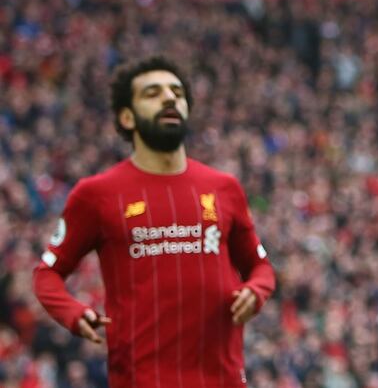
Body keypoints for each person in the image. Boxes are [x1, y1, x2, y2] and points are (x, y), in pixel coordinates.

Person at [32, 56, 276, 387]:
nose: (169, 98)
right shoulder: (96, 195)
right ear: (127, 117)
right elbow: (48, 275)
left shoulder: (224, 188)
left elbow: (260, 268)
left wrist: (255, 291)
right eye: (153, 93)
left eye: (177, 92)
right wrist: (74, 314)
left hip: (223, 380)